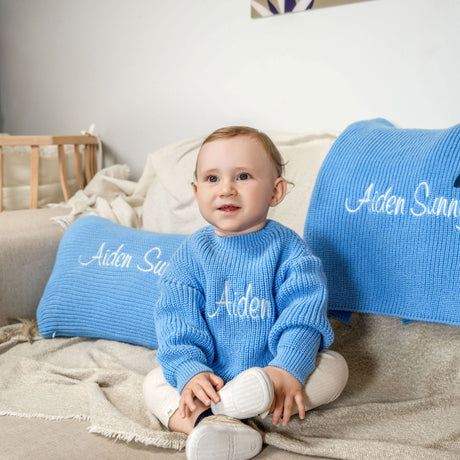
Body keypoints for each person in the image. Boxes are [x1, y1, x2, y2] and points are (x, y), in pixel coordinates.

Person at [143, 126, 348, 460]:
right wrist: (190, 372)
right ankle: (219, 421)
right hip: (211, 378)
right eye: (212, 179)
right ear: (196, 192)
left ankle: (217, 422)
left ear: (275, 191)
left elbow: (304, 318)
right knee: (153, 382)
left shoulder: (291, 251)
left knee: (335, 368)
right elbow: (176, 325)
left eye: (243, 176)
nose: (226, 189)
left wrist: (287, 369)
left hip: (274, 376)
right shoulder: (191, 255)